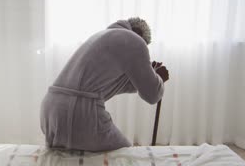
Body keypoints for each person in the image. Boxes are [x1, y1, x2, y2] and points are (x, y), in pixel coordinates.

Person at [40, 17, 169, 152]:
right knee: (125, 156)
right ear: (142, 38)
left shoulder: (101, 36)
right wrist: (159, 78)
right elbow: (152, 95)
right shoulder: (136, 42)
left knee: (68, 160)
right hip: (79, 112)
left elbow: (110, 84)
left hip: (50, 110)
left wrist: (148, 76)